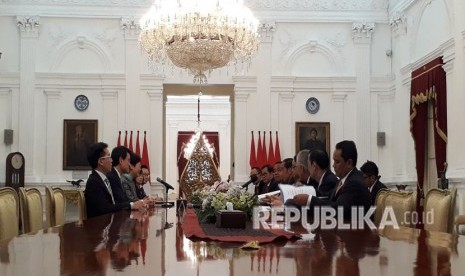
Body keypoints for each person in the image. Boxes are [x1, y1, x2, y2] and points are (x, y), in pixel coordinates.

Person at [293, 140, 371, 219]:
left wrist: (309, 200)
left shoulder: (355, 182)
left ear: (349, 163)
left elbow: (338, 209)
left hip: (354, 229)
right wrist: (303, 191)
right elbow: (328, 196)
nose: (333, 165)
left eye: (337, 162)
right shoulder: (344, 179)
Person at [84, 142, 145, 218]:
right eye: (109, 157)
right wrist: (132, 205)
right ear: (101, 161)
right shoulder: (94, 182)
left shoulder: (104, 179)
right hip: (99, 226)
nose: (112, 160)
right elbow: (105, 208)